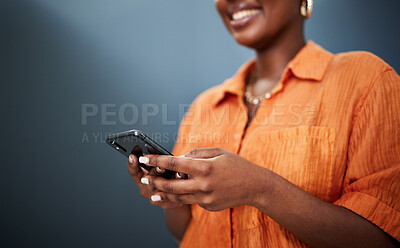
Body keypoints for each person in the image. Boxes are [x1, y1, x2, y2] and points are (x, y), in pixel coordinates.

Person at [127, 0, 400, 247]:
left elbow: (384, 237)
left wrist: (259, 189)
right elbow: (186, 232)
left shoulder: (367, 81)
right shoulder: (205, 106)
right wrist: (169, 195)